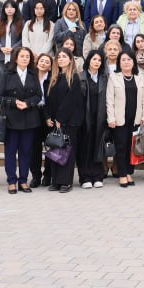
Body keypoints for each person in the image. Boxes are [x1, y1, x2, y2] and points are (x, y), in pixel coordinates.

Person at [0, 47, 41, 194]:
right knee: (10, 151)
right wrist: (14, 102)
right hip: (11, 118)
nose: (25, 59)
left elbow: (38, 95)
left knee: (26, 151)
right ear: (16, 58)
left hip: (29, 118)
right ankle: (11, 181)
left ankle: (23, 180)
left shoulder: (33, 74)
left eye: (27, 56)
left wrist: (27, 103)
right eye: (22, 56)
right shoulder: (7, 74)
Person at [44, 48, 84, 192]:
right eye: (58, 57)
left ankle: (66, 182)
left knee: (66, 152)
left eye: (64, 56)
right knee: (55, 151)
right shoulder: (53, 77)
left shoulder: (74, 78)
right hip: (54, 121)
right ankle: (56, 181)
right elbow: (48, 100)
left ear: (70, 59)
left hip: (69, 121)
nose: (61, 59)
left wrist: (60, 118)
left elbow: (71, 101)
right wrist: (48, 117)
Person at [105, 50, 144, 188]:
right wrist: (110, 118)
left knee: (131, 148)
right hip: (119, 120)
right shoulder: (113, 77)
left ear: (133, 62)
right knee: (121, 147)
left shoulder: (139, 78)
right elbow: (109, 100)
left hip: (136, 119)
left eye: (129, 59)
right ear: (119, 63)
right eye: (123, 60)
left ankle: (129, 172)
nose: (126, 62)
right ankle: (122, 174)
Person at [77, 50, 108, 189]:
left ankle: (97, 176)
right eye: (94, 59)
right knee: (85, 148)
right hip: (84, 119)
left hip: (100, 118)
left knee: (98, 147)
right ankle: (85, 177)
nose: (97, 62)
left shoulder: (104, 78)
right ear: (88, 60)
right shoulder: (81, 77)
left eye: (99, 60)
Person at [29, 52, 53, 188]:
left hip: (48, 114)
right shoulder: (30, 77)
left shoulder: (52, 78)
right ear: (37, 62)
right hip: (33, 113)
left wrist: (48, 116)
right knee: (34, 147)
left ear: (50, 66)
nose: (44, 63)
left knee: (50, 146)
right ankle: (35, 176)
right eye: (42, 61)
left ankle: (48, 175)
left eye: (47, 62)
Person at [0, 1, 23, 68]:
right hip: (1, 55)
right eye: (7, 7)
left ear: (16, 9)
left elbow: (22, 39)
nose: (9, 9)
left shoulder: (21, 22)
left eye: (11, 7)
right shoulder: (0, 21)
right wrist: (1, 48)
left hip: (15, 54)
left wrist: (13, 48)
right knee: (1, 76)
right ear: (4, 10)